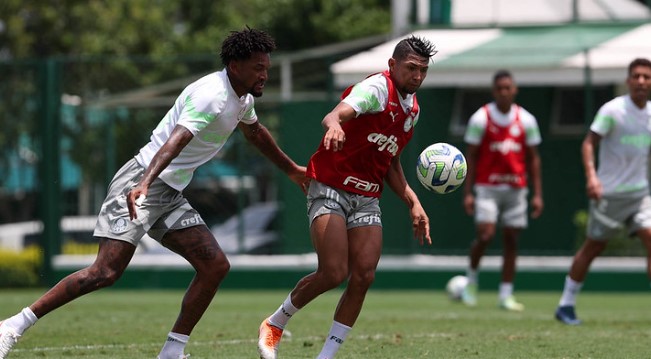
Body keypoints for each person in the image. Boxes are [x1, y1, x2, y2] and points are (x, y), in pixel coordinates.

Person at [0, 27, 308, 359]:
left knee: (214, 265)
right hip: (142, 180)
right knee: (105, 272)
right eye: (258, 68)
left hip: (168, 191)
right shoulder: (212, 95)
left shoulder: (243, 98)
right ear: (235, 65)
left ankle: (171, 352)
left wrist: (292, 170)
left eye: (267, 68)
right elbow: (174, 141)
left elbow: (256, 133)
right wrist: (145, 182)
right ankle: (13, 326)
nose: (264, 75)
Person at [256, 35, 436, 359]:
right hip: (330, 187)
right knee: (333, 272)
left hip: (366, 197)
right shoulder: (376, 89)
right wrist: (336, 125)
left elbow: (389, 159)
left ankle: (326, 356)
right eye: (411, 68)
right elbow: (334, 115)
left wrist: (413, 201)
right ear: (393, 65)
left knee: (364, 274)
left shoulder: (413, 111)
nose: (418, 76)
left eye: (423, 70)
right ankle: (274, 323)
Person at [555, 58, 651, 325]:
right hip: (609, 194)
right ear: (629, 81)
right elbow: (588, 143)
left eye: (647, 77)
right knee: (594, 247)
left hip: (640, 195)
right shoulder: (613, 110)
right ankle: (566, 304)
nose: (642, 81)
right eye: (637, 76)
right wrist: (592, 178)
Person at [460, 69, 543, 311]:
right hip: (487, 187)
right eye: (500, 88)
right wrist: (467, 193)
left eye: (508, 87)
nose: (504, 92)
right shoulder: (481, 118)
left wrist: (538, 194)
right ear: (494, 91)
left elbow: (534, 158)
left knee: (512, 240)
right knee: (485, 235)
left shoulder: (526, 120)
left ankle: (506, 293)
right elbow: (471, 156)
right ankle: (471, 283)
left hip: (516, 188)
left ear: (514, 90)